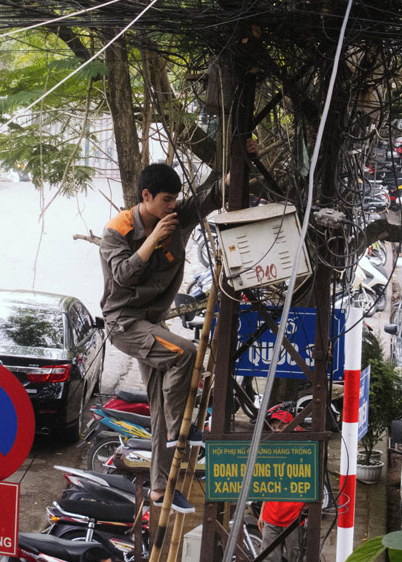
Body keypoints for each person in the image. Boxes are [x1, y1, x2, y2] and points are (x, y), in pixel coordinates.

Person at [98, 162, 230, 515]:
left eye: (175, 200)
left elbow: (213, 195)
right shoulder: (118, 231)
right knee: (185, 353)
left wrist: (240, 159)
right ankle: (178, 431)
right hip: (124, 323)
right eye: (166, 200)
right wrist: (154, 238)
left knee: (160, 405)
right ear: (146, 196)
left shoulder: (176, 214)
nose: (172, 206)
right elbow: (122, 276)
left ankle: (159, 489)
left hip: (152, 323)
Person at [258, 411, 305, 562]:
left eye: (281, 427)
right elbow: (268, 483)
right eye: (274, 427)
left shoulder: (301, 450)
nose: (277, 430)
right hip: (271, 515)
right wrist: (262, 512)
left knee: (295, 556)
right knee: (268, 557)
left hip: (294, 515)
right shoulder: (271, 450)